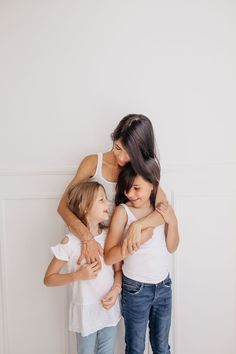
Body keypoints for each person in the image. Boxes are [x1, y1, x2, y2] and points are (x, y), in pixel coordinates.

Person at [57, 114, 167, 266]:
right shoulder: (92, 163)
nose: (121, 158)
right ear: (113, 139)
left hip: (122, 254)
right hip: (91, 246)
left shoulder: (139, 172)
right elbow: (63, 206)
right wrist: (87, 238)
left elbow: (164, 212)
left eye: (129, 153)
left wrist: (138, 225)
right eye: (118, 147)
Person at [104, 161, 179, 354]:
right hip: (136, 290)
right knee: (136, 348)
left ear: (152, 185)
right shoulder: (123, 212)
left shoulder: (160, 210)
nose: (130, 194)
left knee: (162, 347)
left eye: (136, 188)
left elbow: (172, 246)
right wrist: (130, 248)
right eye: (127, 189)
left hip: (164, 286)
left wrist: (172, 220)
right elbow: (109, 257)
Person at [44, 181, 121, 354]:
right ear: (84, 207)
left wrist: (116, 290)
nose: (108, 203)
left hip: (109, 311)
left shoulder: (110, 236)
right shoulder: (70, 242)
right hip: (85, 315)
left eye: (106, 199)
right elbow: (49, 278)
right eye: (101, 199)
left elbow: (118, 270)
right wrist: (78, 275)